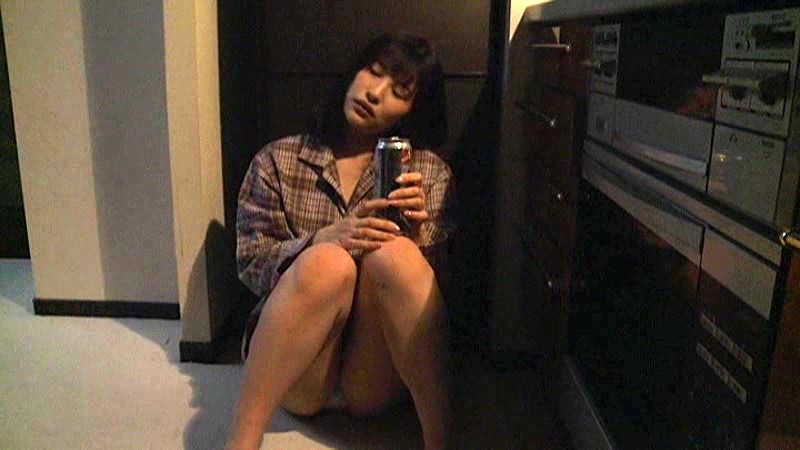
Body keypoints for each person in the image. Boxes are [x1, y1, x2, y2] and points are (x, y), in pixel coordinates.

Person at [225, 32, 456, 450]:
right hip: (298, 371)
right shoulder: (279, 160)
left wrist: (419, 237)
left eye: (399, 92)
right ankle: (240, 443)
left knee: (397, 257)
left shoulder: (427, 174)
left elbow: (435, 301)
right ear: (354, 71)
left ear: (413, 110)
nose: (375, 93)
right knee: (327, 262)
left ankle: (440, 442)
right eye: (374, 71)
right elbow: (250, 263)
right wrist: (319, 241)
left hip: (376, 372)